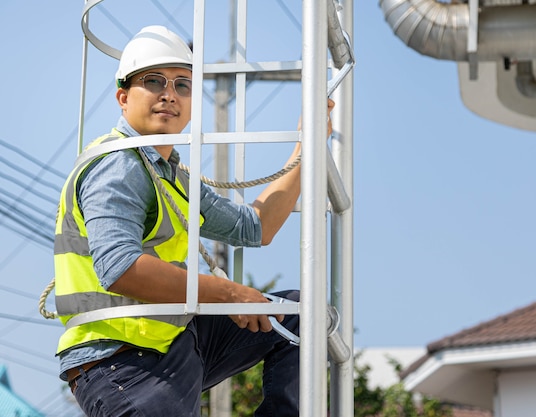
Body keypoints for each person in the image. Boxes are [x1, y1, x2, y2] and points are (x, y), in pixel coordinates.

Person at [54, 25, 334, 416]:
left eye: (183, 85)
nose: (170, 94)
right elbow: (119, 268)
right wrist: (230, 294)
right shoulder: (117, 165)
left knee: (297, 314)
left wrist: (307, 147)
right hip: (122, 361)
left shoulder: (173, 176)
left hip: (174, 343)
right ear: (123, 97)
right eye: (154, 81)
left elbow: (255, 226)